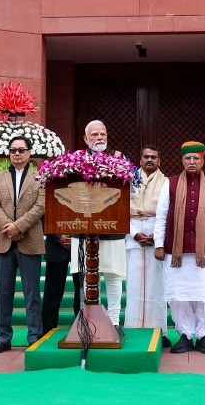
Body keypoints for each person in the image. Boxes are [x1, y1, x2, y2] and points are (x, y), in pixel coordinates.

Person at [154, 141, 205, 355]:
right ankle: (185, 335)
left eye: (196, 158)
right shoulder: (170, 184)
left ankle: (204, 335)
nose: (192, 162)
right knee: (179, 296)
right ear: (182, 161)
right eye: (188, 158)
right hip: (176, 252)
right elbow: (161, 217)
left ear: (203, 161)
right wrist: (159, 244)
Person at [0, 135, 45, 354]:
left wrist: (19, 227)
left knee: (32, 293)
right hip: (3, 240)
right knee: (3, 292)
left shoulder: (40, 177)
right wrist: (9, 228)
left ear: (30, 153)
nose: (16, 154)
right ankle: (3, 338)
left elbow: (41, 206)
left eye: (21, 150)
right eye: (13, 150)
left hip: (29, 239)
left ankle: (34, 336)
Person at [70, 119, 127, 335]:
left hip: (112, 225)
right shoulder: (74, 161)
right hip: (83, 227)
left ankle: (113, 322)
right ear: (86, 139)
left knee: (112, 275)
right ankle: (89, 321)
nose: (99, 138)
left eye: (102, 134)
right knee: (86, 276)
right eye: (94, 135)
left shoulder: (118, 159)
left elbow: (130, 189)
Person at [125, 144, 170, 347]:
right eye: (146, 156)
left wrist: (156, 235)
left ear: (159, 161)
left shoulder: (167, 183)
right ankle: (133, 331)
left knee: (157, 287)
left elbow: (169, 213)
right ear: (140, 159)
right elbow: (119, 210)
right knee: (134, 286)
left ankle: (160, 332)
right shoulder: (128, 180)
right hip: (133, 230)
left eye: (154, 157)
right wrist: (134, 233)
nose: (150, 159)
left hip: (156, 234)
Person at [41, 230, 71, 334]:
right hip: (55, 246)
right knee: (52, 293)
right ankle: (47, 331)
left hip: (81, 244)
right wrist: (58, 237)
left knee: (82, 292)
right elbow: (44, 219)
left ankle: (83, 329)